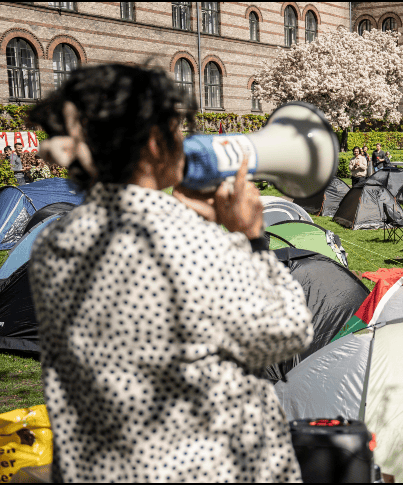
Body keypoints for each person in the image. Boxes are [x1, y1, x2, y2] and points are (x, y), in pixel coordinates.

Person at [26, 64, 313, 482]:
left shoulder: (56, 241)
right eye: (177, 128)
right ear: (154, 144)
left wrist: (192, 218)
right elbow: (288, 332)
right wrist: (250, 238)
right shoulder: (194, 243)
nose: (185, 138)